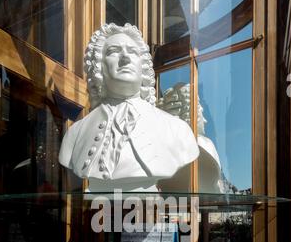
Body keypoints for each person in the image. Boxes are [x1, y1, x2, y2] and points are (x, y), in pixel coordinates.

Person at [59, 23, 199, 192]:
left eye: (132, 51)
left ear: (144, 66)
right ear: (98, 67)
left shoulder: (178, 131)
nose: (125, 57)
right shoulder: (75, 134)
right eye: (113, 51)